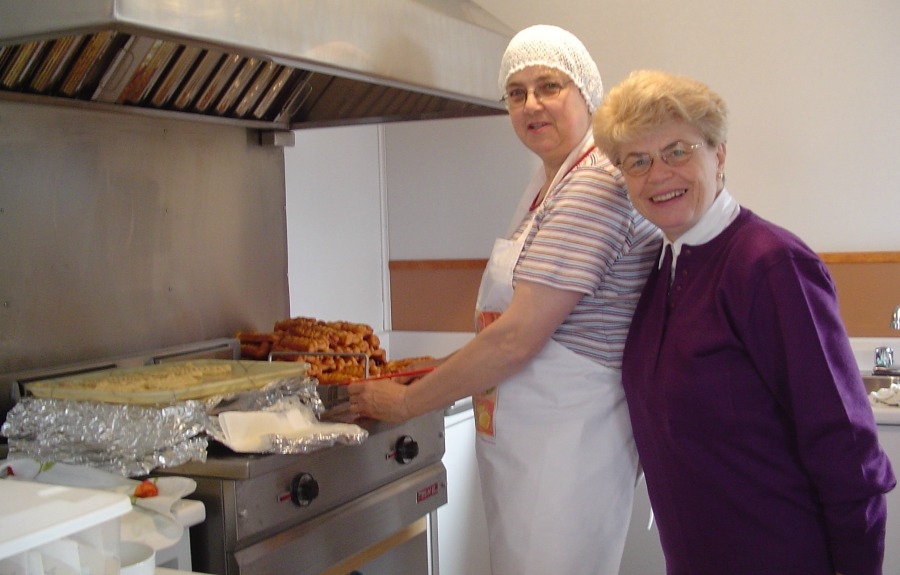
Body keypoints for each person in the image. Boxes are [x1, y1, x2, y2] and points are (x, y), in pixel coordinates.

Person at [348, 25, 660, 575]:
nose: (531, 104)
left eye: (548, 86)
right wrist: (426, 373)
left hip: (566, 449)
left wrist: (404, 404)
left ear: (586, 91)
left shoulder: (593, 184)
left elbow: (517, 339)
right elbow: (508, 325)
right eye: (516, 93)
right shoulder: (549, 183)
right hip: (534, 443)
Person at [592, 69, 896, 575]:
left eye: (677, 151)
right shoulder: (665, 268)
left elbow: (849, 458)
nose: (658, 174)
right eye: (637, 161)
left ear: (719, 153)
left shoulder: (772, 265)